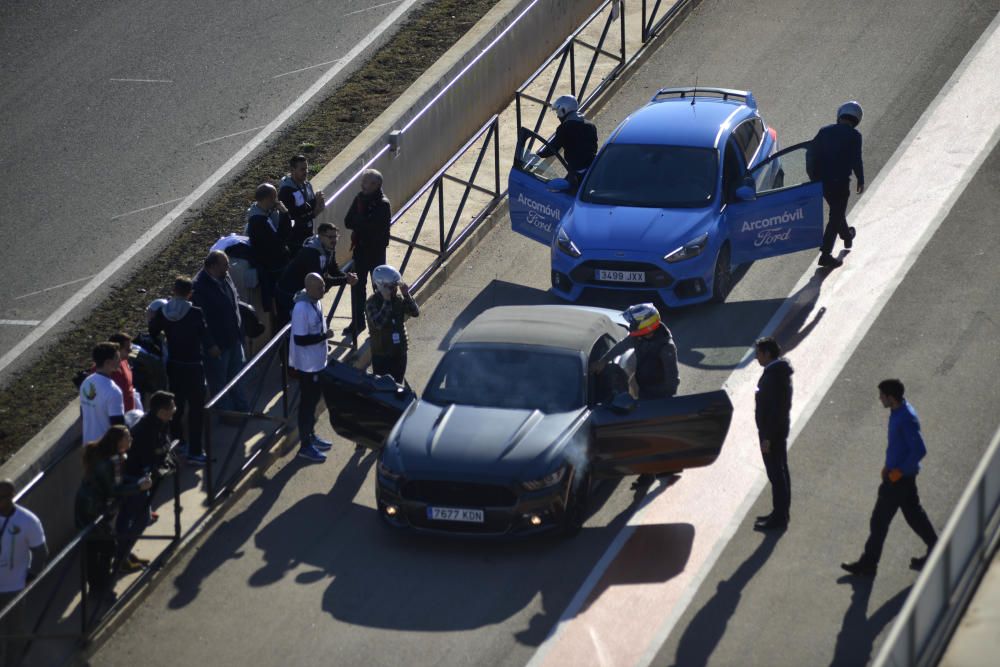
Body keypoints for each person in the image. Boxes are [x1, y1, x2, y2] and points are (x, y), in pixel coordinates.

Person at [842, 380, 938, 577]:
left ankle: (868, 564)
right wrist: (889, 465)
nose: (879, 399)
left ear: (891, 398)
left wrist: (898, 471)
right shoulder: (898, 412)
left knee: (879, 522)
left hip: (898, 481)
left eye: (882, 396)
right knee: (914, 516)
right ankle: (937, 550)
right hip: (900, 477)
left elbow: (919, 449)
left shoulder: (906, 418)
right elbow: (900, 446)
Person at [601, 303, 680, 488]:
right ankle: (648, 473)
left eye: (634, 324)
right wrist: (603, 361)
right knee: (646, 435)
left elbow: (672, 379)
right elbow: (623, 345)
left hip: (659, 397)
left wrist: (664, 405)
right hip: (644, 392)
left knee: (656, 436)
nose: (631, 328)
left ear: (646, 326)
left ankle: (661, 470)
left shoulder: (666, 347)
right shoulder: (640, 337)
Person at [75, 426, 153, 595]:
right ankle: (100, 588)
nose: (131, 439)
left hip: (90, 506)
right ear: (118, 442)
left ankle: (98, 587)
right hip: (92, 510)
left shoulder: (111, 457)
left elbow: (115, 484)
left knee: (99, 547)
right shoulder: (110, 461)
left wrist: (135, 484)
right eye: (127, 437)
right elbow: (113, 490)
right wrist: (138, 486)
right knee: (103, 547)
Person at [150, 277, 211, 466]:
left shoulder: (164, 311)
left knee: (177, 407)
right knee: (196, 409)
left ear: (173, 291)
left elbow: (153, 331)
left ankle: (179, 443)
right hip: (193, 365)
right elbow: (205, 335)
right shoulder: (195, 312)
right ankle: (195, 450)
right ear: (190, 293)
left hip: (174, 365)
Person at [806, 100, 865, 268]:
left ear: (840, 115)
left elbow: (810, 154)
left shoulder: (824, 132)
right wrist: (860, 179)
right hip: (840, 184)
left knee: (837, 213)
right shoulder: (855, 136)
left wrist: (813, 177)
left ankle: (847, 236)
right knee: (836, 216)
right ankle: (825, 254)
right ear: (856, 120)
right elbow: (856, 160)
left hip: (823, 183)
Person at [119, 392, 177, 562]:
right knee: (135, 517)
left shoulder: (160, 423)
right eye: (172, 408)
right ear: (162, 411)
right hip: (134, 478)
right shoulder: (145, 430)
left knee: (131, 516)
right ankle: (121, 556)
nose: (174, 410)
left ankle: (123, 554)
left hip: (141, 476)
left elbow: (164, 444)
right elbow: (151, 454)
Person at [289, 273, 338, 463]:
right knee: (307, 404)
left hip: (318, 362)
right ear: (308, 288)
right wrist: (324, 337)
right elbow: (300, 339)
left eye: (324, 286)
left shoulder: (315, 301)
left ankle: (311, 435)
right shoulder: (301, 308)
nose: (323, 290)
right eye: (319, 287)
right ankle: (305, 445)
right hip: (307, 366)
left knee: (314, 401)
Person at [193, 250, 249, 412]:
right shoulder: (199, 287)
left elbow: (234, 300)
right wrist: (210, 344)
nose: (228, 268)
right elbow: (201, 322)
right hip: (218, 345)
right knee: (219, 382)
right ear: (212, 266)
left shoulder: (224, 277)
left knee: (237, 377)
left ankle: (243, 409)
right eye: (224, 265)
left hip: (234, 338)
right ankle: (227, 414)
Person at [0, 479, 47, 666]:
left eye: (2, 497)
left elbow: (41, 552)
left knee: (14, 632)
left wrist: (31, 577)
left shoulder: (27, 521)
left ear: (11, 497)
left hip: (14, 587)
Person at [275, 222, 357, 328]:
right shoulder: (311, 253)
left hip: (303, 294)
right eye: (330, 237)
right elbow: (320, 281)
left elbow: (334, 270)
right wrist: (345, 280)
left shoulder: (328, 248)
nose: (334, 240)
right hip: (288, 295)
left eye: (336, 236)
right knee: (291, 329)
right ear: (321, 237)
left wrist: (347, 276)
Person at [344, 169, 392, 338]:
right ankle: (358, 322)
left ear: (376, 185)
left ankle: (381, 321)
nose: (362, 185)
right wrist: (362, 224)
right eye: (363, 181)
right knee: (357, 287)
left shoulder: (382, 204)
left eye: (366, 182)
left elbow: (374, 229)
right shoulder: (359, 199)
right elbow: (348, 221)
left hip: (376, 252)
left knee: (379, 287)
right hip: (361, 251)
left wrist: (360, 224)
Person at [752, 337, 793, 531]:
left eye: (758, 353)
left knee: (777, 475)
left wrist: (767, 437)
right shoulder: (778, 373)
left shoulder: (772, 377)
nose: (756, 357)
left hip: (772, 434)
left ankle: (779, 518)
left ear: (767, 354)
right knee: (780, 473)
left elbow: (775, 410)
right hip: (776, 431)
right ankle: (780, 514)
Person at [365, 265, 419, 384]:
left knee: (398, 385)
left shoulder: (398, 300)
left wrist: (406, 295)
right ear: (381, 286)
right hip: (382, 355)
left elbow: (415, 312)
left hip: (399, 352)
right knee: (383, 388)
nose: (395, 290)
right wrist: (387, 301)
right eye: (391, 287)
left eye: (395, 287)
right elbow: (378, 324)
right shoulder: (371, 303)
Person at [245, 183, 292, 316]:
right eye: (274, 197)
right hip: (273, 267)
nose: (276, 201)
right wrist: (285, 214)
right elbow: (279, 241)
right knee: (281, 306)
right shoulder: (258, 221)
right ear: (267, 199)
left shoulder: (266, 215)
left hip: (277, 264)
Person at [537, 94, 598, 185]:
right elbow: (594, 146)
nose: (557, 116)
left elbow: (552, 148)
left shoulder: (565, 128)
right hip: (592, 168)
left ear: (564, 110)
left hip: (577, 172)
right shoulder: (591, 125)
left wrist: (539, 154)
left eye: (558, 112)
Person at [80, 342, 126, 445]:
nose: (120, 361)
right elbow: (118, 427)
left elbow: (83, 413)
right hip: (105, 448)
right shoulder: (113, 391)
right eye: (117, 358)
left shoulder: (86, 382)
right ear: (108, 362)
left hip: (88, 445)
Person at [279, 155, 326, 253]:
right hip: (295, 241)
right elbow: (291, 218)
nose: (306, 172)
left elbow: (308, 205)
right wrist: (314, 213)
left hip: (308, 236)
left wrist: (318, 201)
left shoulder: (307, 184)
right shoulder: (286, 191)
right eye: (302, 169)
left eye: (307, 169)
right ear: (292, 170)